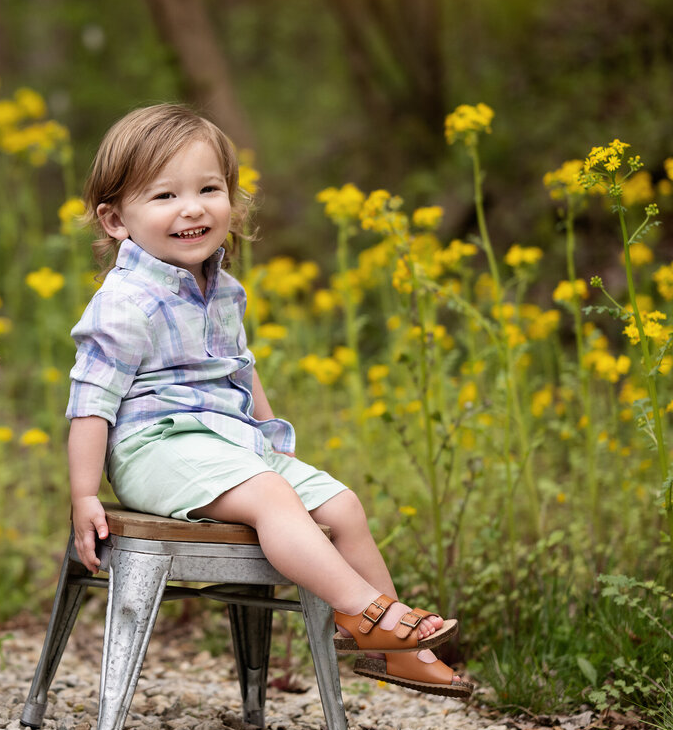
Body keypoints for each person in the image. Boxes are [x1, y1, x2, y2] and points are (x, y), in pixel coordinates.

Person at [65, 104, 472, 698]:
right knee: (274, 497)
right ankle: (367, 612)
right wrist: (82, 494)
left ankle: (393, 649)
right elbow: (91, 402)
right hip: (157, 450)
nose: (193, 208)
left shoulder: (225, 289)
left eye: (209, 188)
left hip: (232, 449)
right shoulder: (125, 301)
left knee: (342, 504)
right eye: (164, 196)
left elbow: (240, 370)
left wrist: (271, 441)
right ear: (115, 219)